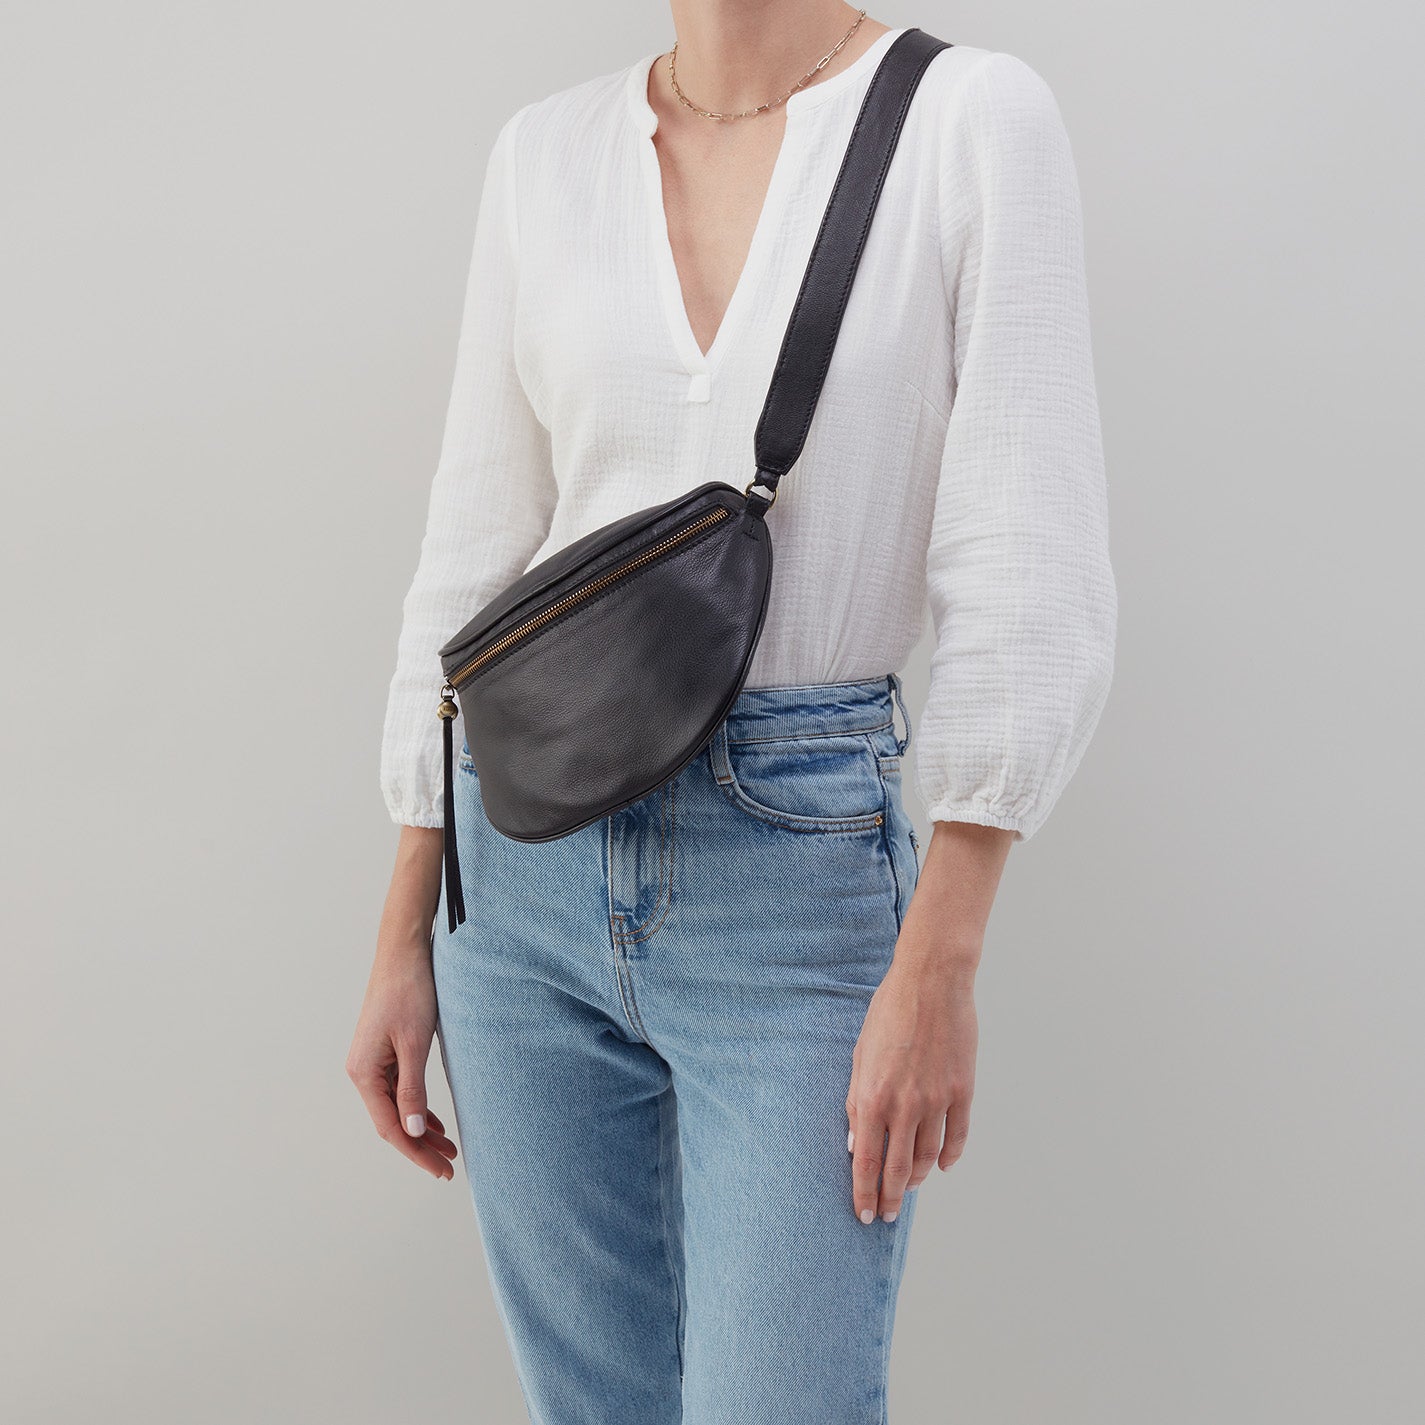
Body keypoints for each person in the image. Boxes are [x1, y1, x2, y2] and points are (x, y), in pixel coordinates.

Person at [347, 4, 1116, 1420]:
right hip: (516, 887)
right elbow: (471, 552)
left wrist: (940, 959)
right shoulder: (545, 155)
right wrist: (406, 927)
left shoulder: (967, 121)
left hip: (798, 869)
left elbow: (1027, 551)